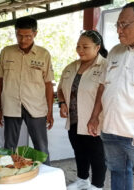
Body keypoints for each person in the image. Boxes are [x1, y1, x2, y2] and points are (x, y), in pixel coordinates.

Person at [87, 2, 134, 190]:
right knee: (117, 172)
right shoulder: (116, 51)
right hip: (110, 129)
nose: (119, 30)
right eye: (117, 25)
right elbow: (102, 88)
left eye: (124, 25)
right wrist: (94, 116)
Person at [0, 16, 54, 165]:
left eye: (27, 36)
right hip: (10, 105)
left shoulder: (44, 54)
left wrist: (50, 111)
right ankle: (8, 175)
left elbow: (48, 84)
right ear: (15, 33)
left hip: (36, 106)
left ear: (35, 33)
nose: (23, 40)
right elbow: (1, 81)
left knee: (41, 147)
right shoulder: (6, 52)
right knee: (9, 146)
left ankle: (47, 177)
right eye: (19, 35)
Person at [57, 30, 107, 190]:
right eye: (78, 46)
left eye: (85, 47)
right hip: (74, 119)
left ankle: (97, 185)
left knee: (97, 155)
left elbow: (105, 94)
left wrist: (95, 117)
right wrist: (62, 103)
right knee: (79, 151)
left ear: (97, 47)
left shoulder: (106, 66)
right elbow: (60, 89)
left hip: (94, 119)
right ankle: (82, 180)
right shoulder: (71, 67)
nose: (80, 50)